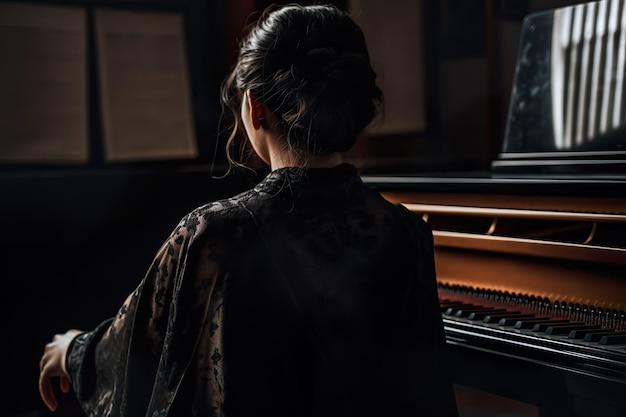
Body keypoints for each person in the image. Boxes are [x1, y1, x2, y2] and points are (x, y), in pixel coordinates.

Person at [38, 3, 459, 417]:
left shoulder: (213, 234)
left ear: (255, 107)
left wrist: (71, 350)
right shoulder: (407, 232)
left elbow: (132, 352)